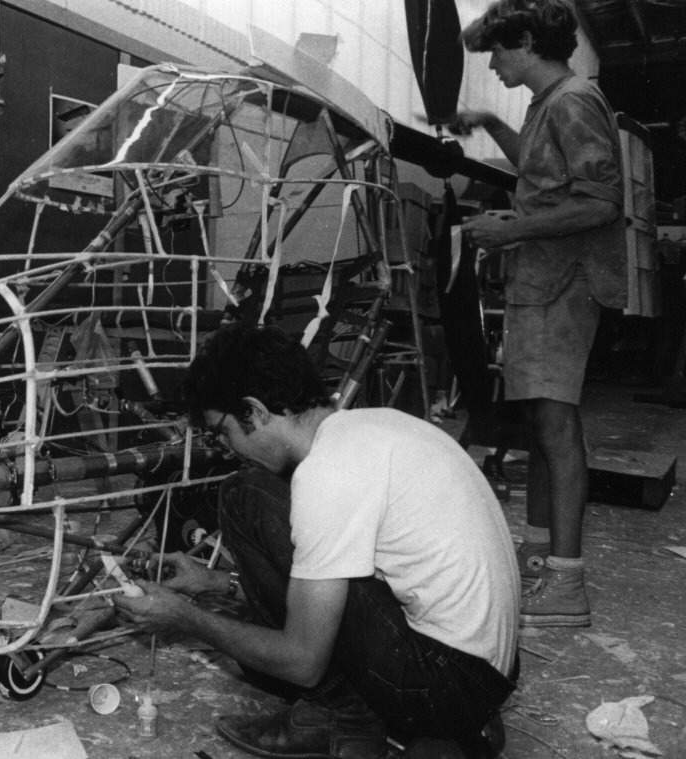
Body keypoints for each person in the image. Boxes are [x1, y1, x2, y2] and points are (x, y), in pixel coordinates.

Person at [114, 323, 519, 759]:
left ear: (254, 412)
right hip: (489, 672)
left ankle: (344, 717)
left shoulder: (326, 474)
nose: (227, 448)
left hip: (442, 684)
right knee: (253, 500)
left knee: (244, 497)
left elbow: (302, 662)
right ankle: (446, 727)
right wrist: (214, 583)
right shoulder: (373, 426)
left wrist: (186, 619)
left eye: (223, 431)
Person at [450, 0, 627, 627]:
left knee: (556, 427)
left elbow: (601, 202)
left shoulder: (573, 101)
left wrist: (511, 229)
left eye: (497, 52)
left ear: (526, 41)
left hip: (563, 284)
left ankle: (568, 585)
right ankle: (540, 556)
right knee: (542, 424)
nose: (493, 65)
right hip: (545, 282)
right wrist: (491, 123)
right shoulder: (550, 103)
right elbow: (540, 167)